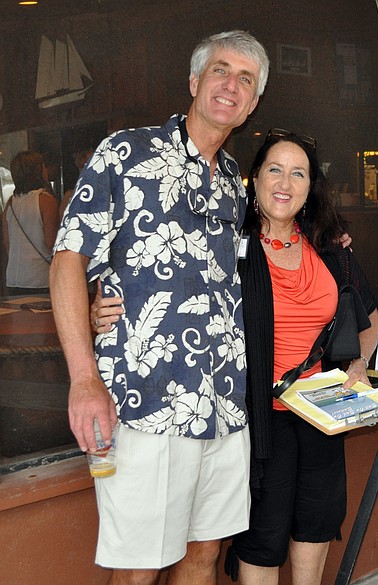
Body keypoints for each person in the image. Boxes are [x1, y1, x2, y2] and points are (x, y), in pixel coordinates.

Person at [50, 30, 269, 585]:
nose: (231, 85)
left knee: (204, 555)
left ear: (253, 102)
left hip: (224, 403)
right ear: (194, 81)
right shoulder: (127, 153)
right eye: (221, 70)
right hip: (144, 402)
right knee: (141, 566)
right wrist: (83, 379)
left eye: (246, 79)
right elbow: (68, 261)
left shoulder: (234, 186)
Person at [227, 129, 378, 585]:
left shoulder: (331, 246)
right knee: (262, 534)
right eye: (275, 169)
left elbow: (368, 316)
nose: (285, 182)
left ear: (311, 187)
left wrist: (358, 367)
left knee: (316, 522)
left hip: (320, 410)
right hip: (257, 417)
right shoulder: (227, 246)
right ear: (253, 178)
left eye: (299, 173)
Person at [2, 150, 59, 295]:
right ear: (38, 171)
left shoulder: (10, 204)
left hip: (14, 276)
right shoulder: (46, 201)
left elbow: (8, 244)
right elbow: (51, 243)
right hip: (40, 276)